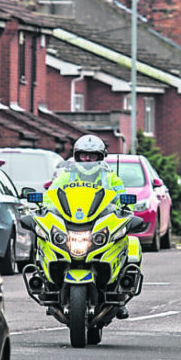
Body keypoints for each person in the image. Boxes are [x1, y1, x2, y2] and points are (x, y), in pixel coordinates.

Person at [49, 134, 131, 317]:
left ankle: (121, 295)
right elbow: (51, 196)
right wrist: (45, 209)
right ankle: (50, 287)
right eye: (83, 155)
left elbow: (124, 201)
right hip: (73, 223)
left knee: (129, 245)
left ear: (100, 157)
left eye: (92, 156)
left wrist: (125, 209)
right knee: (45, 239)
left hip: (100, 224)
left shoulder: (111, 178)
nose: (87, 160)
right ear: (76, 156)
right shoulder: (66, 176)